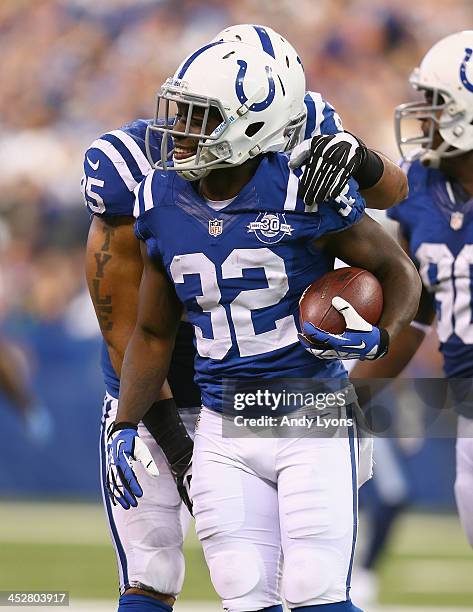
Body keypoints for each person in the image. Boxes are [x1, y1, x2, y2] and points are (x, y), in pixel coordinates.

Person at [84, 23, 408, 612]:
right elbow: (137, 332)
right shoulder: (146, 183)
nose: (178, 130)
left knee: (311, 584)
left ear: (262, 124)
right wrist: (132, 424)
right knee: (232, 584)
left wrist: (376, 340)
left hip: (301, 401)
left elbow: (394, 247)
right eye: (182, 111)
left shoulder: (307, 167)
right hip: (212, 402)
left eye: (198, 117)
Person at [351, 30, 473, 548]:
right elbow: (416, 310)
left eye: (438, 104)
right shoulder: (419, 190)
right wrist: (349, 400)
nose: (424, 117)